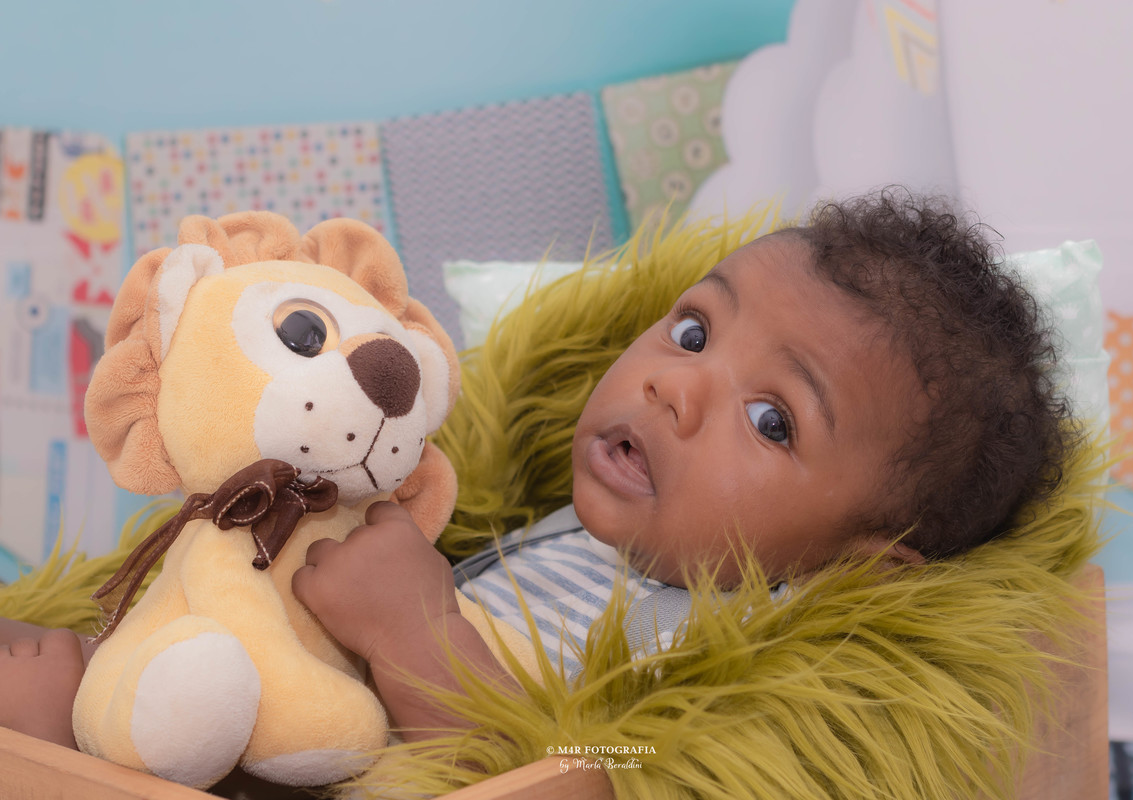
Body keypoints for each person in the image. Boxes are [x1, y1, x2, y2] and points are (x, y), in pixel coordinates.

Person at [0, 190, 1075, 749]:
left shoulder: (735, 653)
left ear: (861, 566)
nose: (675, 387)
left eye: (771, 419)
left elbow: (589, 775)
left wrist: (417, 635)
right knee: (54, 667)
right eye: (694, 332)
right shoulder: (578, 528)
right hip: (289, 725)